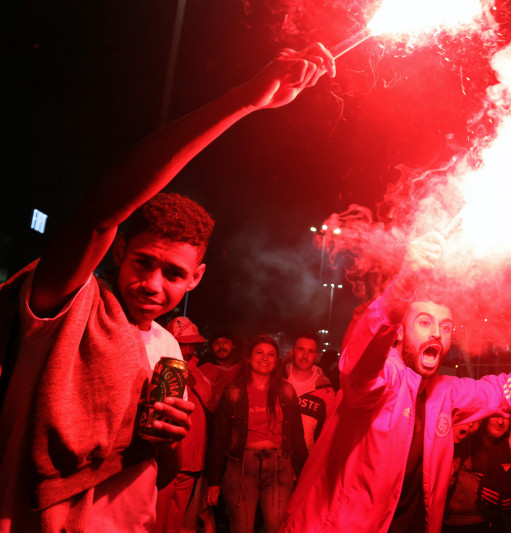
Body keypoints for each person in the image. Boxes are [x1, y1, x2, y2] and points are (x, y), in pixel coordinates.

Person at [0, 43, 335, 532]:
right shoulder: (66, 303)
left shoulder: (168, 346)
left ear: (196, 277)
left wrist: (172, 440)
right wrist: (243, 100)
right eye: (145, 262)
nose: (153, 285)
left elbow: (158, 472)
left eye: (174, 274)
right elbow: (98, 214)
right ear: (119, 250)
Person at [280, 231, 511, 533]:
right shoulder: (382, 378)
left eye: (446, 326)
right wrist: (404, 284)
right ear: (400, 332)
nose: (437, 333)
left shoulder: (445, 392)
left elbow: (506, 392)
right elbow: (357, 362)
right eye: (424, 322)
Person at [206, 335, 307, 533]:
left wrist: (304, 476)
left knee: (277, 528)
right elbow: (219, 437)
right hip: (242, 467)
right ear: (248, 358)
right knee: (241, 528)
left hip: (279, 468)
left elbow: (297, 435)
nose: (265, 358)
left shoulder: (286, 391)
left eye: (271, 354)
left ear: (276, 360)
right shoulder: (233, 392)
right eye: (259, 353)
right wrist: (214, 481)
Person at [155, 316, 214, 533]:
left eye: (192, 344)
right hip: (167, 459)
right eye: (183, 344)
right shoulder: (160, 369)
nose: (188, 350)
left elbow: (211, 406)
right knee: (157, 520)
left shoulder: (201, 374)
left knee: (176, 521)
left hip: (191, 463)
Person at [284, 332, 336, 450]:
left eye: (310, 351)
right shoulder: (278, 381)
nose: (305, 355)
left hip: (308, 457)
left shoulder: (325, 391)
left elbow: (329, 432)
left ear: (316, 357)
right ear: (292, 352)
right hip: (276, 457)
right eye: (301, 349)